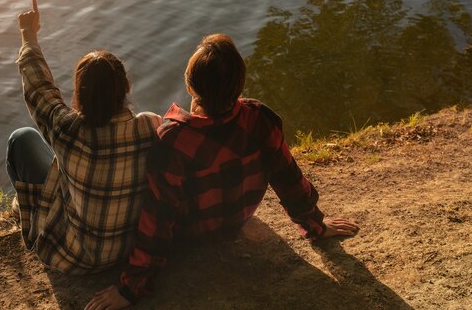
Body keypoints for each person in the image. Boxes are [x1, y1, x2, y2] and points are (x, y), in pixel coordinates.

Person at [85, 34, 359, 309]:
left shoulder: (175, 140)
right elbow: (289, 180)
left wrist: (130, 288)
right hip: (236, 220)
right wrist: (316, 225)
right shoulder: (261, 119)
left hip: (190, 236)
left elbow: (157, 217)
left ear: (191, 87)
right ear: (239, 83)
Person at [7, 0, 162, 274]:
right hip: (128, 250)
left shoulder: (65, 128)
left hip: (73, 255)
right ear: (126, 86)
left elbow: (38, 86)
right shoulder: (150, 127)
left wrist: (28, 33)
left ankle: (24, 210)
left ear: (78, 94)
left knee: (22, 139)